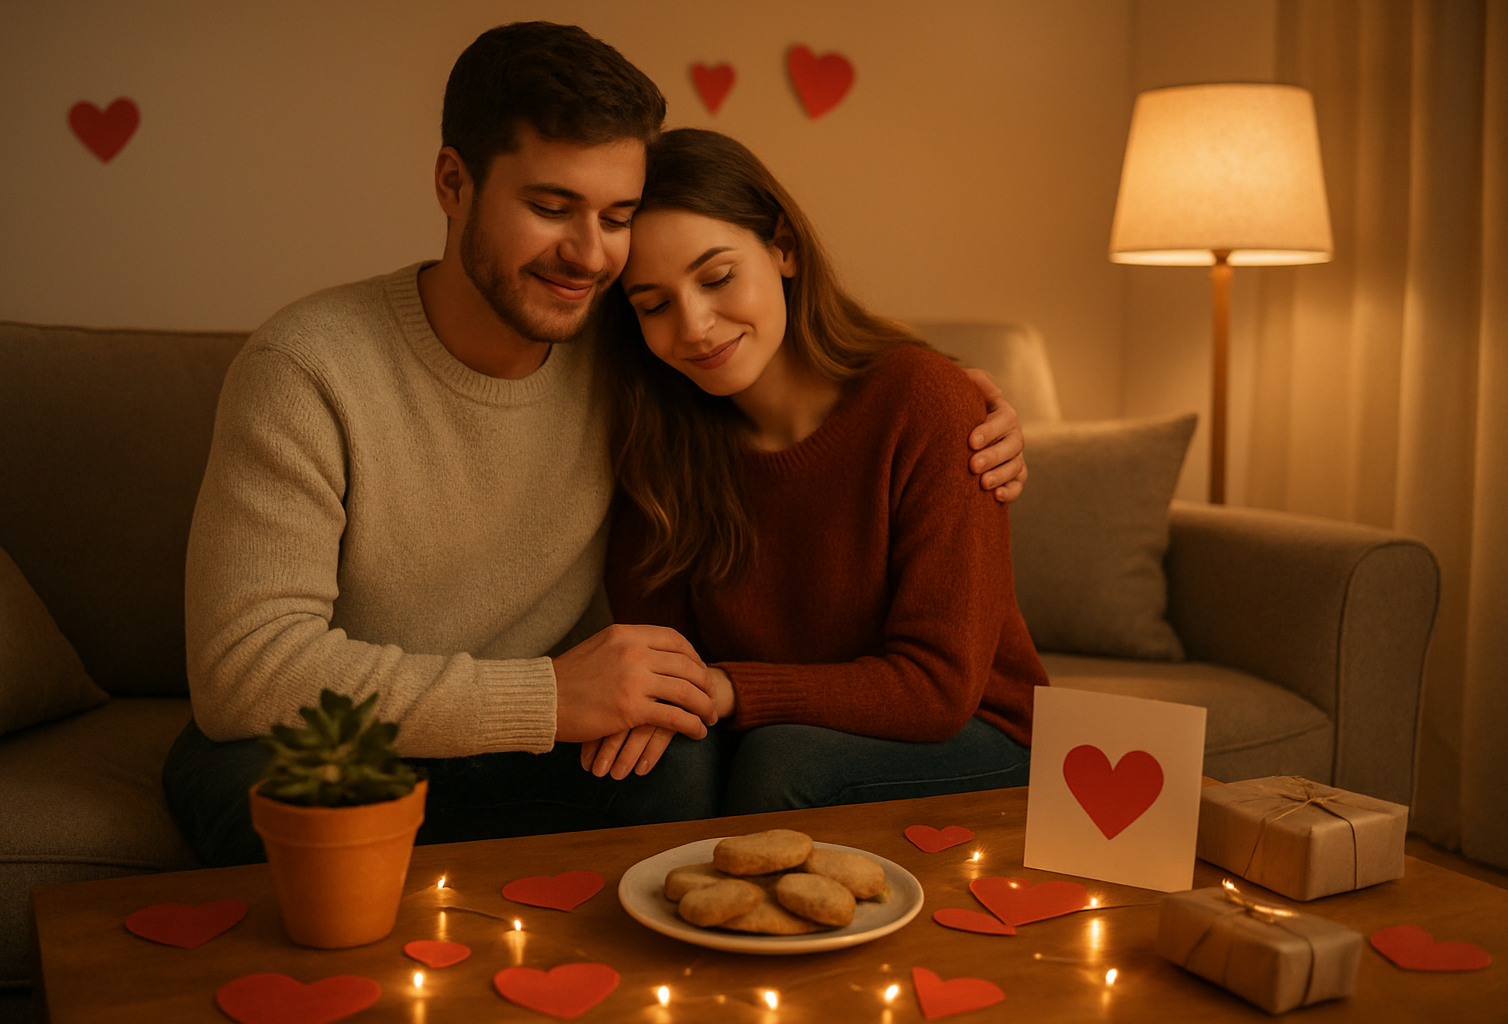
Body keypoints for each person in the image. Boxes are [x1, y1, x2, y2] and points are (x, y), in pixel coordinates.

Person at [163, 22, 1030, 867]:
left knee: (685, 769)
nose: (587, 255)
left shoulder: (631, 359)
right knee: (251, 787)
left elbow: (792, 361)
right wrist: (544, 698)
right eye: (550, 207)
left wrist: (958, 392)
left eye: (615, 216)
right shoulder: (306, 367)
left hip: (547, 749)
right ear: (453, 183)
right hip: (374, 736)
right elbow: (244, 669)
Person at [591, 129, 1048, 814]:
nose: (694, 325)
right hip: (776, 725)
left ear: (783, 247)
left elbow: (938, 688)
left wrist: (731, 690)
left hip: (979, 731)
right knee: (660, 763)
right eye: (654, 304)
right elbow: (667, 660)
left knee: (786, 760)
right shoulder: (661, 441)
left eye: (716, 277)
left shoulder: (924, 402)